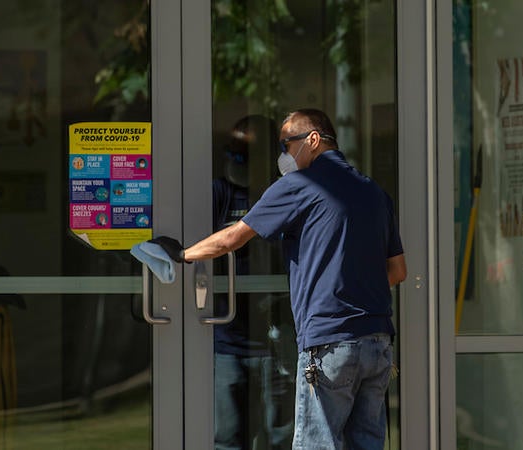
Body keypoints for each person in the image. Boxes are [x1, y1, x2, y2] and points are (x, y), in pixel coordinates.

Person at [152, 108, 406, 450]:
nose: (283, 155)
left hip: (328, 343)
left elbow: (233, 238)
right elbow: (398, 270)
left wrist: (180, 255)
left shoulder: (301, 185)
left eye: (287, 144)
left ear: (313, 139)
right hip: (377, 343)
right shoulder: (373, 192)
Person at [211, 115, 294, 450]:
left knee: (282, 436)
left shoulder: (288, 194)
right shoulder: (220, 193)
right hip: (227, 336)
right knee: (229, 437)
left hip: (277, 335)